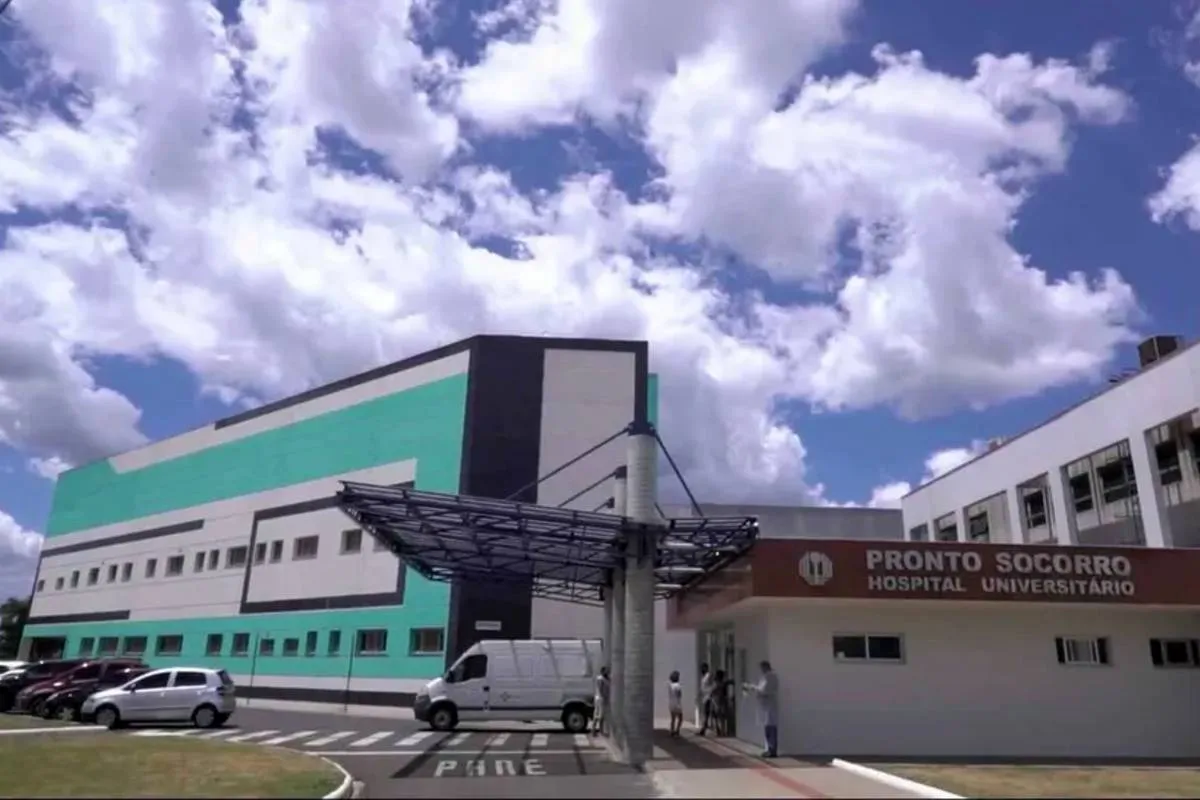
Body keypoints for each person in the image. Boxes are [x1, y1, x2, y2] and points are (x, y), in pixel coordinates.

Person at [743, 660, 779, 758]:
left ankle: (771, 749)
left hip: (769, 706)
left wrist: (752, 687)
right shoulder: (767, 676)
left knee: (770, 728)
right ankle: (769, 749)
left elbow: (763, 689)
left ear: (765, 667)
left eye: (762, 668)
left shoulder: (769, 677)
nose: (761, 670)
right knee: (768, 727)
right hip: (766, 706)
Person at [697, 663, 714, 735]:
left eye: (703, 668)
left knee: (707, 713)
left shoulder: (708, 676)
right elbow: (702, 687)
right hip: (704, 697)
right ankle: (704, 727)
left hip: (708, 697)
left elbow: (711, 685)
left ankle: (704, 728)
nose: (702, 670)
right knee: (706, 713)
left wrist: (711, 694)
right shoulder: (703, 677)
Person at [592, 665, 610, 736]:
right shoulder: (601, 679)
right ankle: (598, 730)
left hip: (599, 698)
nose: (607, 672)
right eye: (606, 671)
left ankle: (598, 730)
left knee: (598, 714)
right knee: (600, 715)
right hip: (600, 698)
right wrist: (603, 697)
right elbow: (600, 689)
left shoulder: (604, 679)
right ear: (602, 671)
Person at [667, 670, 683, 736]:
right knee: (680, 718)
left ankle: (671, 730)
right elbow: (679, 694)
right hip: (677, 704)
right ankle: (677, 730)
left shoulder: (670, 685)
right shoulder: (678, 685)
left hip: (671, 703)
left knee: (673, 719)